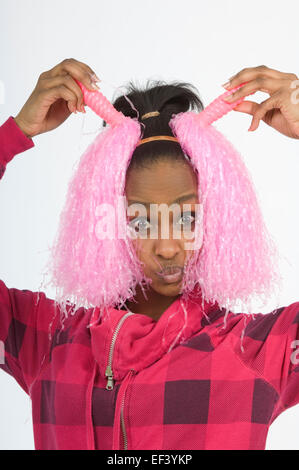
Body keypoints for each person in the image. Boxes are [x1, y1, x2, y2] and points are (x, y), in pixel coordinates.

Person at [0, 58, 299, 450]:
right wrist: (14, 134)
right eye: (140, 221)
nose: (168, 246)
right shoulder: (47, 341)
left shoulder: (257, 350)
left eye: (188, 216)